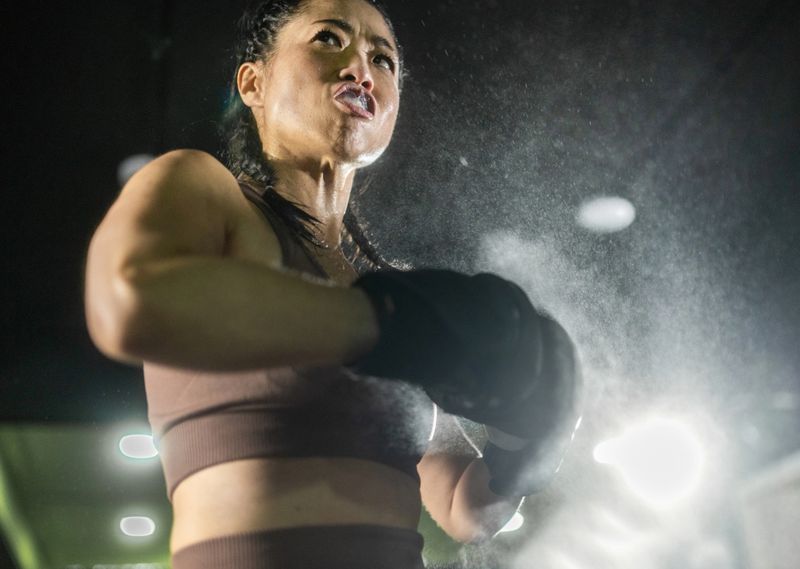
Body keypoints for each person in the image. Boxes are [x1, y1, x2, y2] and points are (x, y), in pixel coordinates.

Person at [84, 0, 582, 567]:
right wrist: (385, 326)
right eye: (328, 39)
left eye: (383, 58)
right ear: (253, 82)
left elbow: (465, 511)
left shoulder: (385, 291)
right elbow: (127, 299)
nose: (360, 68)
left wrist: (529, 444)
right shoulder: (203, 189)